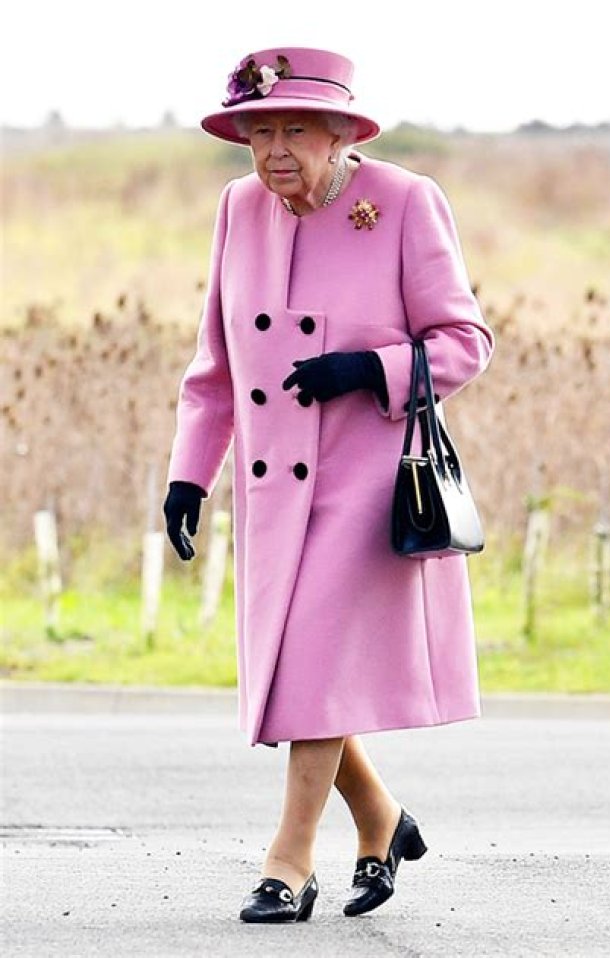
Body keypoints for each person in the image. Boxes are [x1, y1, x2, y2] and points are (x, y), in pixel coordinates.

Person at [163, 46, 495, 924]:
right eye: (258, 131)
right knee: (296, 675)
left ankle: (289, 860)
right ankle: (382, 821)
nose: (274, 150)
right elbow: (216, 366)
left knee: (304, 666)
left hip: (363, 484)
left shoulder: (404, 202)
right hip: (275, 493)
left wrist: (366, 368)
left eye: (294, 129)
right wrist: (190, 476)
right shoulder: (240, 208)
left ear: (342, 131)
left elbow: (465, 343)